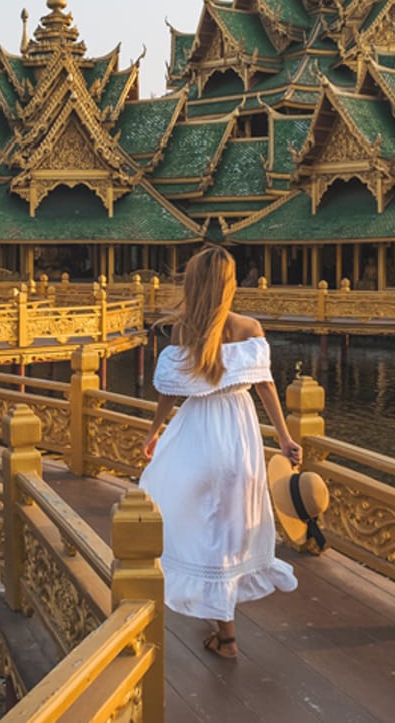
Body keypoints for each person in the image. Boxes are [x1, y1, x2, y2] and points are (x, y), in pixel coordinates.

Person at [138, 245, 301, 660]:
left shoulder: (183, 331)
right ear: (229, 286)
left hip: (197, 432)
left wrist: (154, 432)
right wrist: (284, 438)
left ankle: (223, 629)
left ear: (193, 285)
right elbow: (265, 387)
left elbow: (168, 393)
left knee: (196, 521)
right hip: (238, 433)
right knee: (230, 528)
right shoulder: (250, 328)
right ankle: (225, 632)